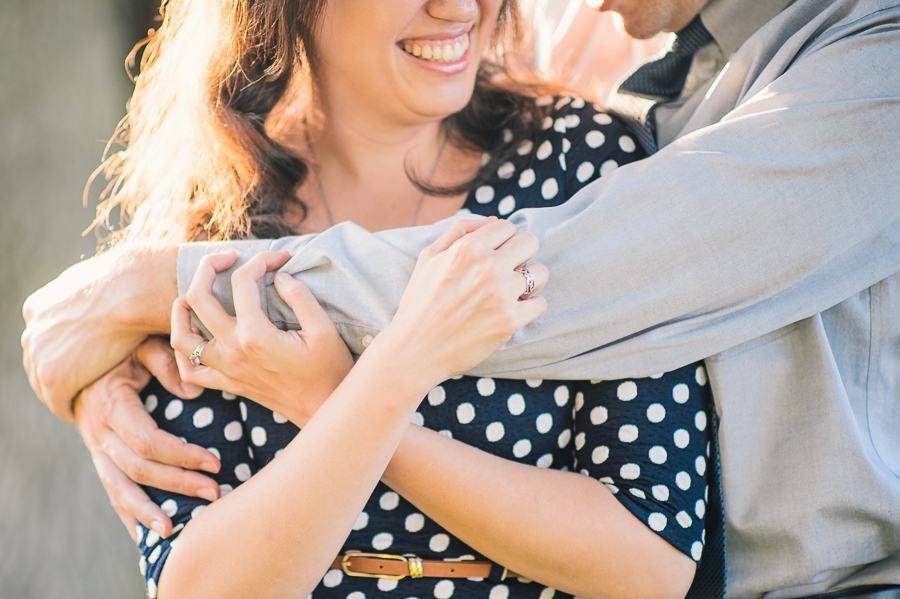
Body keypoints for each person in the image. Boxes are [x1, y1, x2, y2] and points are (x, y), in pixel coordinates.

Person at [20, 0, 900, 597]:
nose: (458, 5)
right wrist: (103, 362)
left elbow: (653, 551)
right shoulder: (213, 214)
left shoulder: (579, 160)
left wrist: (352, 394)